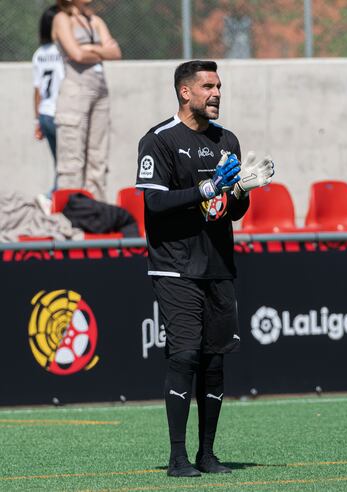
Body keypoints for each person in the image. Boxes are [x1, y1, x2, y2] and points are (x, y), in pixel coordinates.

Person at [136, 60, 274, 477]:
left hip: (217, 265)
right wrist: (207, 187)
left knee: (214, 361)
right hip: (175, 266)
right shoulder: (158, 140)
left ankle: (207, 454)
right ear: (185, 92)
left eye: (219, 86)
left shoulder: (225, 139)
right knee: (184, 354)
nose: (216, 93)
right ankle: (178, 458)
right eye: (208, 86)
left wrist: (241, 192)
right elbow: (154, 203)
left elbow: (228, 212)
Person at [52, 0, 121, 201]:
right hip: (75, 92)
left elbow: (115, 53)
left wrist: (90, 48)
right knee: (72, 159)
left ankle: (96, 210)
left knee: (98, 158)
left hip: (100, 91)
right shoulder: (62, 18)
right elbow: (76, 54)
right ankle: (70, 215)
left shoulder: (95, 20)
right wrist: (100, 49)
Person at [32, 4, 64, 200]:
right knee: (67, 165)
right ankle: (51, 198)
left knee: (59, 164)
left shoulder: (38, 54)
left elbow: (37, 91)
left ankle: (52, 196)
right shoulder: (63, 50)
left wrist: (37, 122)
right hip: (59, 113)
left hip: (44, 114)